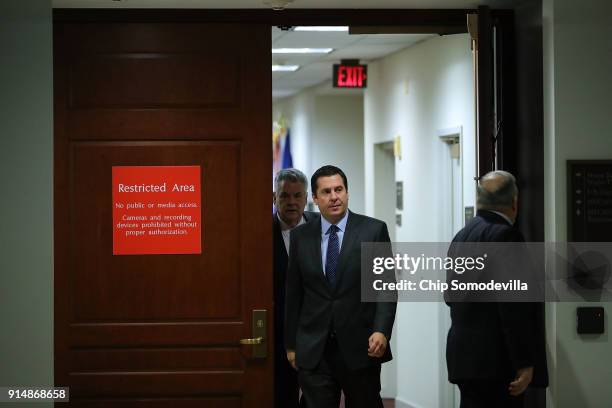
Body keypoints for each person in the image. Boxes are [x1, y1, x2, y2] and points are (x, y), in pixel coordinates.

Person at [284, 165, 397, 408]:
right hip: (315, 349)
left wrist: (382, 330)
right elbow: (294, 293)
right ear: (314, 198)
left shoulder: (373, 230)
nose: (334, 196)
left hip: (361, 346)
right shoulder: (301, 237)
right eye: (326, 191)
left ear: (347, 192)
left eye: (339, 189)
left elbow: (385, 287)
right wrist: (291, 345)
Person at [445, 170, 548, 408]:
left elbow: (450, 296)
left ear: (479, 201)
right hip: (496, 362)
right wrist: (524, 361)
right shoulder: (506, 236)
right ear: (514, 202)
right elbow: (512, 306)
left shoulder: (461, 237)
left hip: (464, 357)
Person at [273, 168, 318, 408]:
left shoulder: (322, 229)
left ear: (307, 198)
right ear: (274, 198)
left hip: (317, 332)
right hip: (277, 334)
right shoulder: (259, 233)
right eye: (284, 196)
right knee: (283, 397)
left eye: (297, 195)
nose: (291, 202)